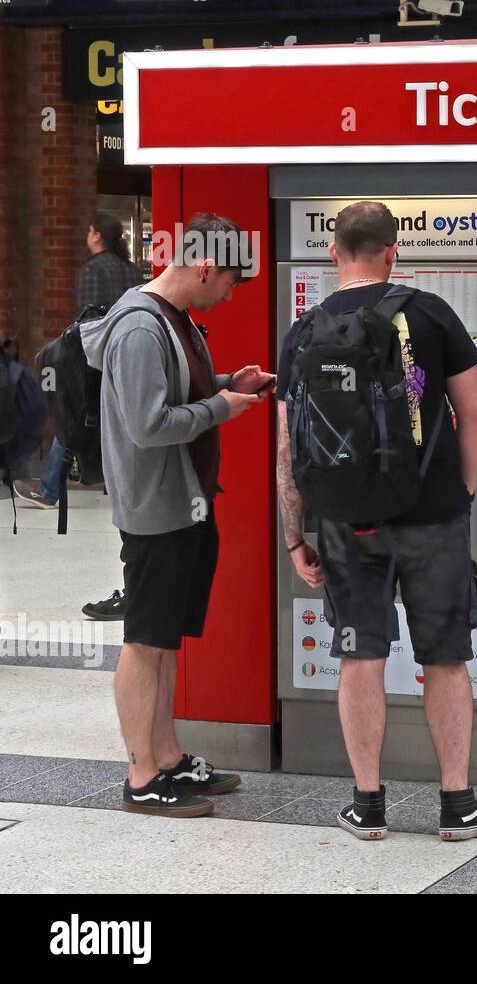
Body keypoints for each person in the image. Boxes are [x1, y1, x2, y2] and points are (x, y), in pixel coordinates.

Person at [274, 200, 477, 842]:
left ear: (333, 253)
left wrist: (296, 532)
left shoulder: (305, 329)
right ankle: (457, 806)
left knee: (360, 656)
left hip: (347, 523)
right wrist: (459, 492)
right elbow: (475, 416)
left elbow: (289, 445)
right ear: (393, 251)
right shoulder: (429, 313)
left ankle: (367, 806)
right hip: (432, 518)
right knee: (446, 658)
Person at [82, 211, 271, 817]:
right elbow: (148, 422)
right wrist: (223, 406)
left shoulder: (175, 321)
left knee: (164, 641)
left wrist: (225, 382)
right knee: (144, 640)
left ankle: (166, 757)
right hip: (156, 506)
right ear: (206, 266)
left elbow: (169, 393)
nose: (230, 295)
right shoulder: (142, 326)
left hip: (183, 499)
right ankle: (143, 775)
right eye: (231, 283)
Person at [15, 213, 139, 512]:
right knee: (118, 417)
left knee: (73, 417)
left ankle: (47, 490)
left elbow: (88, 320)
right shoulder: (130, 270)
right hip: (128, 351)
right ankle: (121, 486)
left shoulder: (92, 270)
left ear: (96, 235)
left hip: (93, 357)